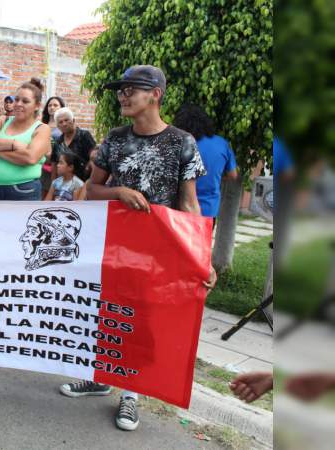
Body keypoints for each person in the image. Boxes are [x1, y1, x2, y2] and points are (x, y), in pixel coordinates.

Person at [75, 65, 215, 432]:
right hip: (115, 245)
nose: (122, 96)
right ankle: (100, 378)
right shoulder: (115, 138)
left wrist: (202, 257)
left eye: (131, 89)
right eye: (120, 90)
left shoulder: (183, 142)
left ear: (155, 94)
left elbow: (189, 204)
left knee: (143, 321)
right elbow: (92, 190)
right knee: (109, 313)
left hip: (159, 250)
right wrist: (119, 192)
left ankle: (130, 395)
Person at [0, 78, 51, 201]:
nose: (18, 104)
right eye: (17, 99)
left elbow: (30, 158)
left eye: (25, 101)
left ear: (37, 106)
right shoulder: (3, 120)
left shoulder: (42, 129)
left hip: (22, 191)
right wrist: (14, 144)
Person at [173, 103, 238, 224]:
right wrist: (215, 175)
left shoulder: (178, 142)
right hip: (209, 209)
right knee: (205, 237)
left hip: (180, 208)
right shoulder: (222, 143)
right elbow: (233, 175)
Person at [50, 106, 96, 180]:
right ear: (58, 126)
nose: (64, 124)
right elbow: (54, 164)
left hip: (84, 181)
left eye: (66, 120)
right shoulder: (58, 142)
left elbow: (94, 158)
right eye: (60, 122)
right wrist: (54, 183)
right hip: (65, 182)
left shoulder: (84, 135)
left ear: (73, 120)